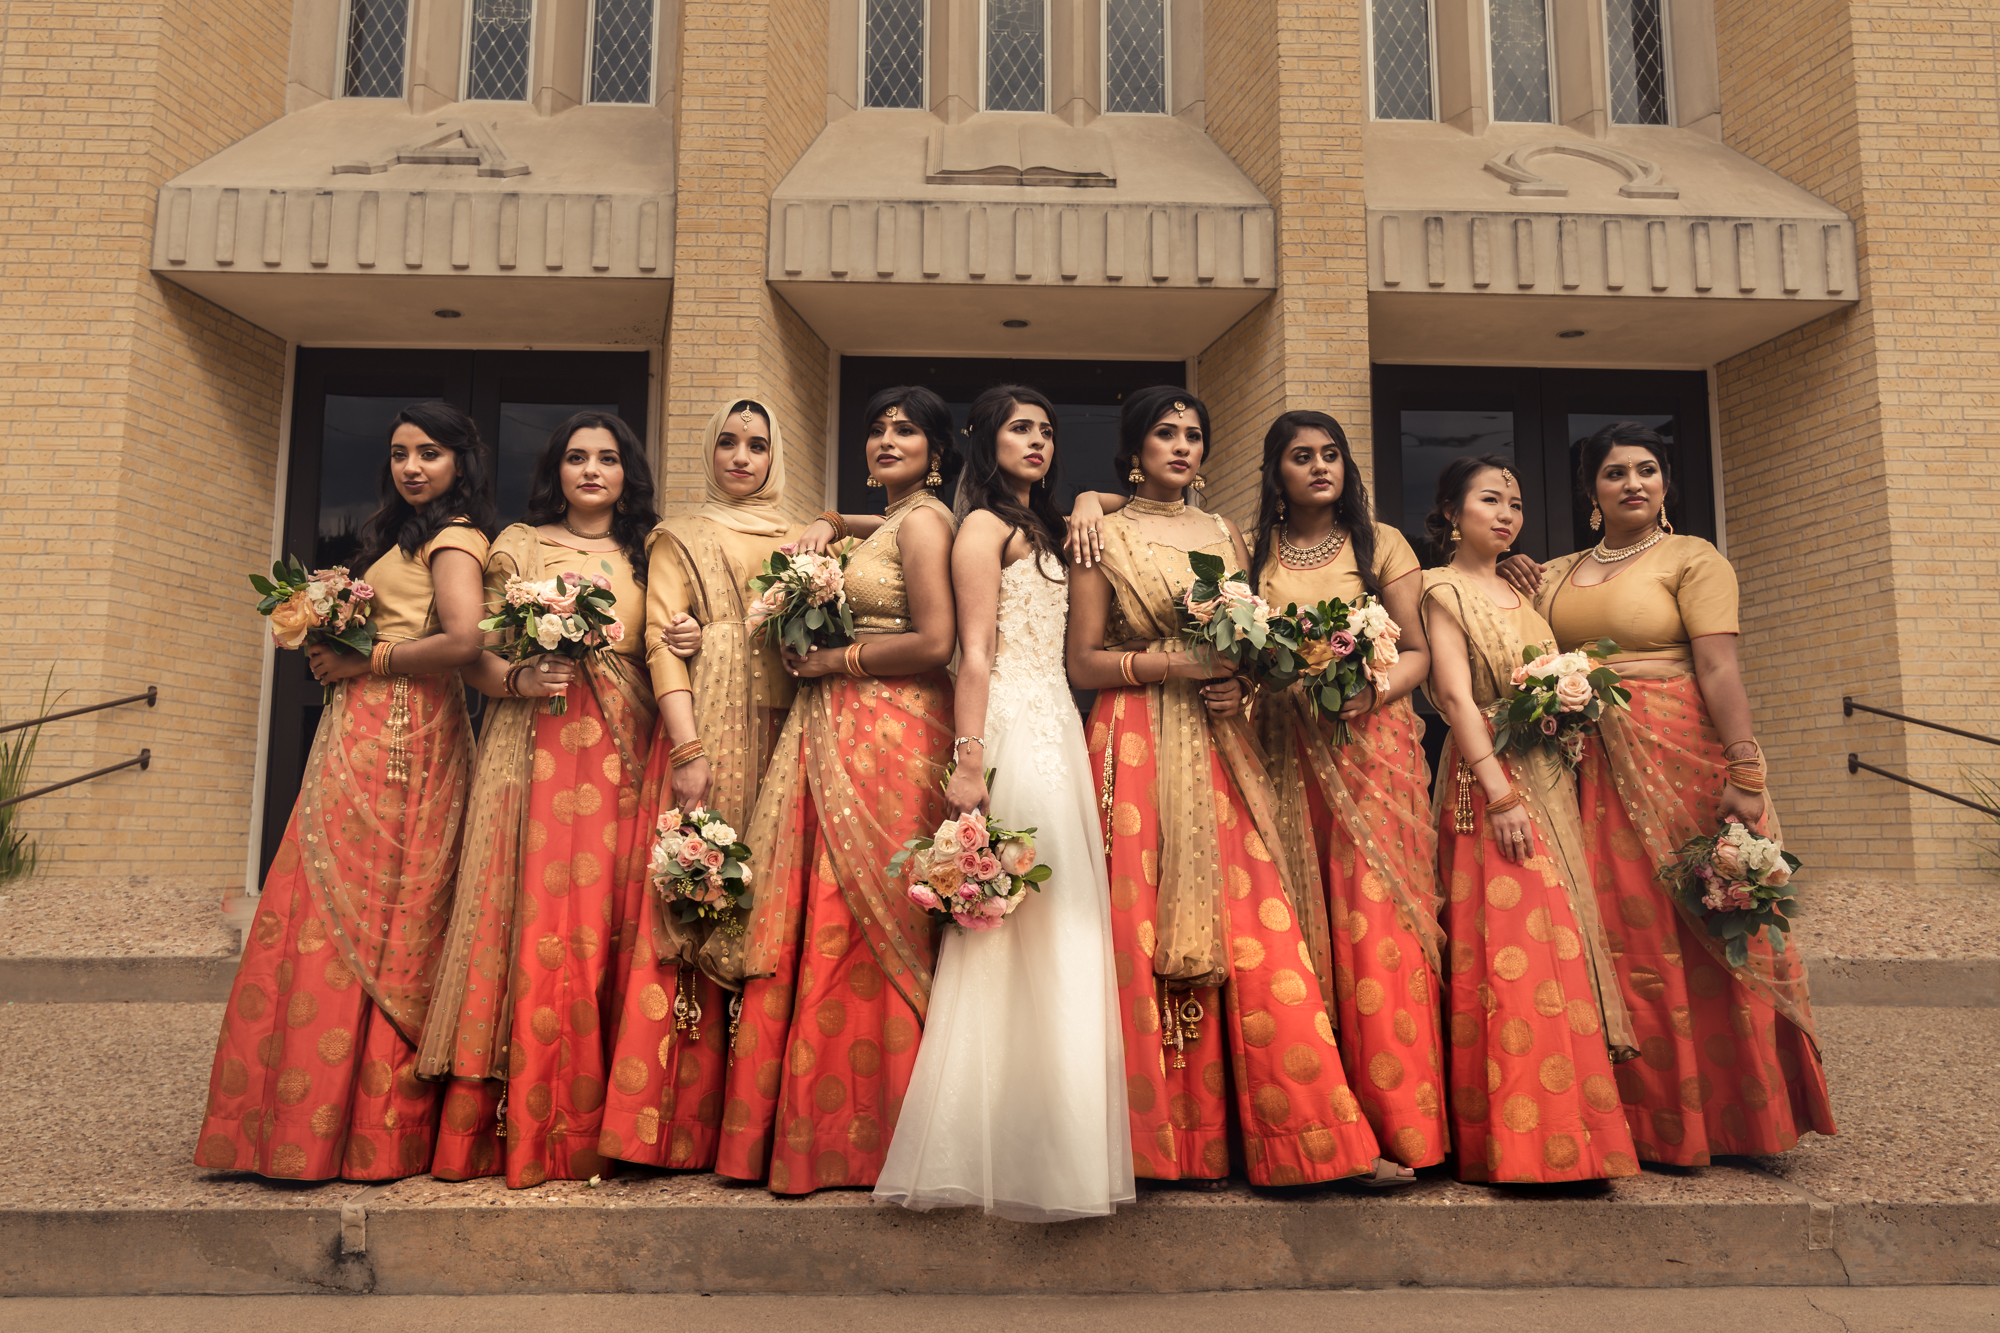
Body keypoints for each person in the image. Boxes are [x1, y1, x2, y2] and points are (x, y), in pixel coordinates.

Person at [1066, 386, 1389, 1188]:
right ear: (1134, 448)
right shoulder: (1099, 530)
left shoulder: (1224, 532)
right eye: (1164, 434)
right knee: (1134, 925)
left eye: (1194, 436)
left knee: (1255, 921)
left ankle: (1307, 1138)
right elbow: (1083, 661)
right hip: (1131, 739)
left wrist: (1235, 685)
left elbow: (1243, 645)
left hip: (1219, 739)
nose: (1181, 447)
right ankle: (1152, 1142)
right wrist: (1182, 665)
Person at [1508, 423, 1834, 1163]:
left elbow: (1719, 669)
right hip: (1590, 770)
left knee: (1704, 921)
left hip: (1681, 760)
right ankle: (1640, 1118)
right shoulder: (1558, 571)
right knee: (1626, 935)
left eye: (1647, 469)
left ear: (1665, 484)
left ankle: (1737, 1120)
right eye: (1615, 472)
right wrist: (1510, 564)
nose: (1633, 483)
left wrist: (1745, 772)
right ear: (1591, 491)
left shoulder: (1694, 558)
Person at [196, 402, 491, 1180]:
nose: (412, 466)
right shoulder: (394, 534)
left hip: (408, 739)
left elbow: (464, 641)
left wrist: (369, 661)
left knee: (383, 907)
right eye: (399, 453)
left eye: (430, 451)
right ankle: (291, 1117)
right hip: (358, 731)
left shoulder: (457, 538)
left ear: (461, 460)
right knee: (320, 900)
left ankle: (373, 1126)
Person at [596, 397, 878, 1172]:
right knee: (693, 896)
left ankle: (751, 1123)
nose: (742, 456)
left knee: (771, 908)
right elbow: (661, 638)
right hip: (712, 729)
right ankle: (667, 1125)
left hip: (794, 729)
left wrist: (831, 519)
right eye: (726, 440)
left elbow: (909, 535)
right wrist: (686, 746)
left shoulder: (804, 539)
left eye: (757, 444)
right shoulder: (679, 534)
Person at [874, 385, 1135, 1221]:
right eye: (1021, 428)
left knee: (1068, 928)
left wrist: (1093, 493)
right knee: (1009, 927)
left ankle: (1059, 1138)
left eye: (1050, 432)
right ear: (986, 440)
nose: (1039, 442)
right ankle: (987, 1139)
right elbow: (974, 653)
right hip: (1012, 731)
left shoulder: (1055, 526)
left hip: (1061, 724)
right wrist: (970, 762)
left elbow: (1141, 499)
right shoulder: (982, 528)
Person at [707, 386, 959, 1195]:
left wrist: (832, 662)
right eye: (876, 428)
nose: (887, 438)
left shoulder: (923, 521)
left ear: (938, 451)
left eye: (906, 429)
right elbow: (870, 533)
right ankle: (827, 1128)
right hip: (844, 727)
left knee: (876, 912)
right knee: (827, 908)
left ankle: (875, 1134)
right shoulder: (891, 519)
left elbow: (934, 639)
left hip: (894, 728)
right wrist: (830, 522)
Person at [417, 411, 660, 1188]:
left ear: (629, 474)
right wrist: (517, 677)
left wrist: (685, 640)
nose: (592, 470)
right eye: (577, 457)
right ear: (555, 468)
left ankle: (603, 1127)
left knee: (601, 926)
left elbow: (663, 650)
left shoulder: (647, 553)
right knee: (524, 915)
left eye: (609, 458)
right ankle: (514, 1128)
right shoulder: (517, 542)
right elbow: (477, 655)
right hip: (534, 749)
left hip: (623, 750)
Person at [1419, 454, 1640, 1183]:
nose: (1507, 513)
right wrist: (1500, 792)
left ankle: (1574, 1135)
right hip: (1489, 780)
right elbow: (1454, 698)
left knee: (1561, 943)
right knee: (1510, 944)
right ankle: (1511, 1141)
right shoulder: (1439, 587)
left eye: (1515, 501)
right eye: (1489, 500)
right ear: (1453, 511)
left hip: (1546, 772)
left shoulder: (1527, 592)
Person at [1245, 410, 1450, 1172]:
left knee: (1375, 914)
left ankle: (1405, 1121)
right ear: (1278, 471)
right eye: (1302, 457)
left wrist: (1372, 692)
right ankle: (1317, 1114)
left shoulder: (1382, 542)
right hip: (1278, 738)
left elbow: (1419, 651)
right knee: (1294, 911)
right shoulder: (1249, 548)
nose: (1320, 467)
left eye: (1331, 454)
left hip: (1370, 742)